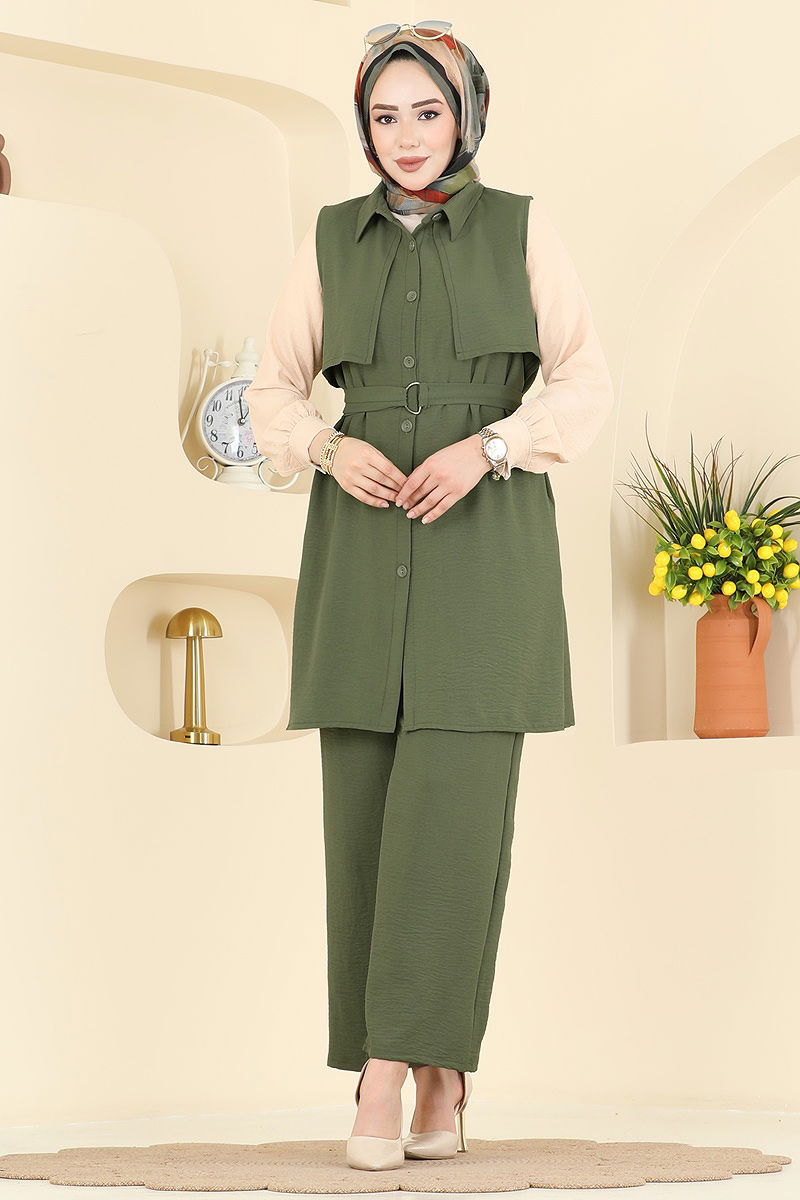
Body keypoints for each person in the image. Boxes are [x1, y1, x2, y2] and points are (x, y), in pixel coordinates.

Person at [242, 21, 614, 1173]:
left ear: (467, 114)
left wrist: (490, 448)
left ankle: (386, 1076)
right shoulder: (326, 238)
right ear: (365, 127)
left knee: (452, 828)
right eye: (383, 115)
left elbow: (584, 380)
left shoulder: (521, 227)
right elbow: (269, 389)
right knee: (359, 824)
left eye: (427, 111)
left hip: (483, 554)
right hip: (358, 555)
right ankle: (439, 1075)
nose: (405, 137)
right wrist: (323, 445)